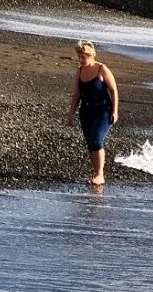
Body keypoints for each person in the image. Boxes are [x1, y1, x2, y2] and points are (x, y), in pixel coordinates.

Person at [66, 40, 119, 185]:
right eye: (79, 57)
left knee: (96, 140)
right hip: (86, 111)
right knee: (91, 144)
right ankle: (97, 173)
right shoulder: (80, 71)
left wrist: (115, 111)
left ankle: (100, 174)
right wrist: (71, 113)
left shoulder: (102, 69)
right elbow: (76, 94)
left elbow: (113, 90)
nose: (81, 60)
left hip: (103, 111)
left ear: (91, 55)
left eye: (84, 57)